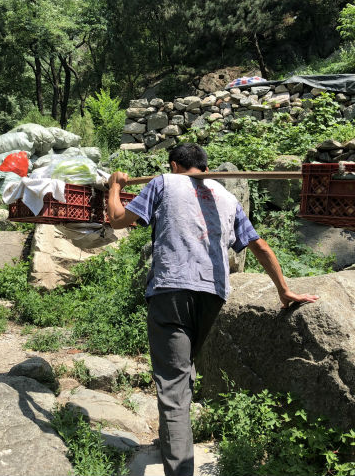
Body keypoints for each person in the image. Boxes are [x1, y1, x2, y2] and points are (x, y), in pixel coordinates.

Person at [107, 143, 319, 476]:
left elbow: (118, 220)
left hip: (171, 291)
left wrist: (115, 187)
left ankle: (179, 467)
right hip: (213, 293)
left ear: (175, 165)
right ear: (206, 168)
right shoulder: (227, 196)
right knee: (183, 368)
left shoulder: (163, 182)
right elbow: (259, 244)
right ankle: (173, 437)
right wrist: (284, 290)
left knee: (174, 385)